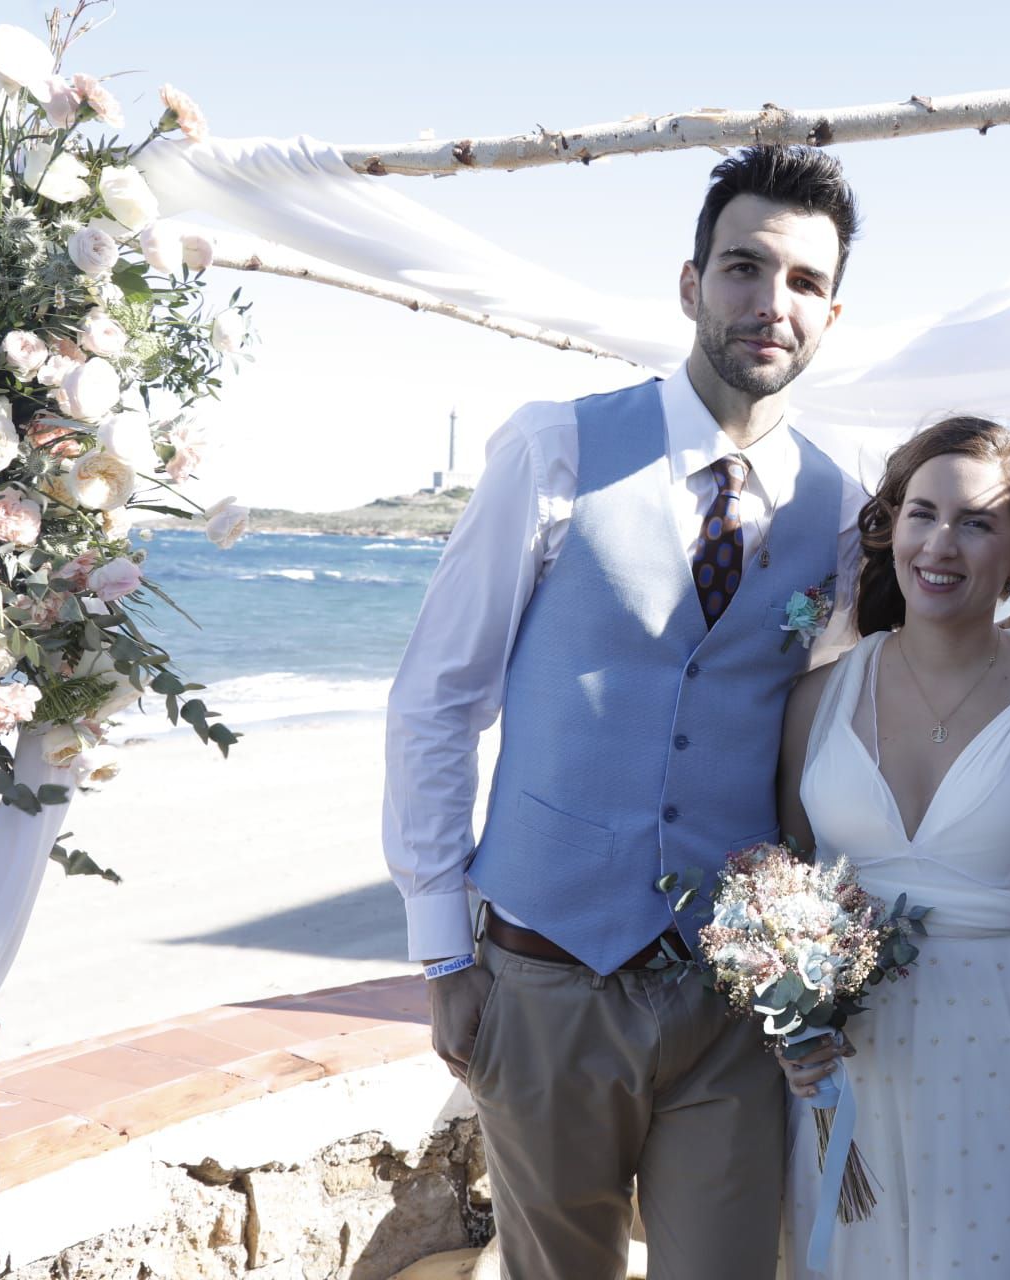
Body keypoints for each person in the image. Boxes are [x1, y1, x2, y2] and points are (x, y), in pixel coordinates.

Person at [383, 144, 868, 1278]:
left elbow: (846, 710)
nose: (771, 302)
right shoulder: (557, 447)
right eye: (745, 268)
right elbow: (439, 699)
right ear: (692, 284)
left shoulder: (842, 503)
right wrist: (443, 950)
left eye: (803, 282)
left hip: (731, 1000)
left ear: (831, 314)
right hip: (546, 975)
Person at [774, 416, 1010, 1279]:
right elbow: (782, 888)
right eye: (922, 513)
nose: (942, 544)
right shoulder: (816, 700)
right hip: (853, 1064)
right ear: (890, 528)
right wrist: (784, 1013)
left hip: (1009, 1050)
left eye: (977, 522)